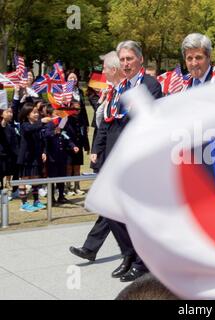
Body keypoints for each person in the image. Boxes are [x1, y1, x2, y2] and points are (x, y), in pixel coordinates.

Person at [90, 41, 162, 282]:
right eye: (122, 59)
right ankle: (129, 254)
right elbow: (109, 122)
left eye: (130, 58)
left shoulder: (149, 85)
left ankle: (143, 263)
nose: (125, 63)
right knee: (112, 211)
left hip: (137, 158)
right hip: (115, 157)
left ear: (140, 60)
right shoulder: (120, 88)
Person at [70, 51, 127, 266]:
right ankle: (92, 248)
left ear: (114, 69)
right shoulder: (111, 93)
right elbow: (102, 126)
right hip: (109, 156)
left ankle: (132, 253)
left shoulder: (127, 92)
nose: (102, 73)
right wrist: (96, 150)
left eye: (104, 68)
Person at [16, 102, 51, 212]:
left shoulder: (38, 125)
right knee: (24, 180)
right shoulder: (24, 125)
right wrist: (42, 121)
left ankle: (36, 201)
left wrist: (44, 152)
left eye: (37, 113)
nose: (37, 115)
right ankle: (24, 204)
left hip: (36, 156)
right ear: (27, 114)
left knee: (36, 178)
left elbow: (43, 140)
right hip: (26, 157)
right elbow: (30, 129)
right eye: (34, 113)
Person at [42, 105, 79, 204]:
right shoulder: (49, 125)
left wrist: (73, 146)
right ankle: (51, 198)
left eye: (59, 113)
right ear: (50, 115)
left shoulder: (62, 125)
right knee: (52, 177)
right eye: (56, 114)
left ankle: (61, 196)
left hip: (62, 155)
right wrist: (54, 131)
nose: (58, 115)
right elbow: (46, 135)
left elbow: (66, 137)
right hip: (52, 156)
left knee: (61, 176)